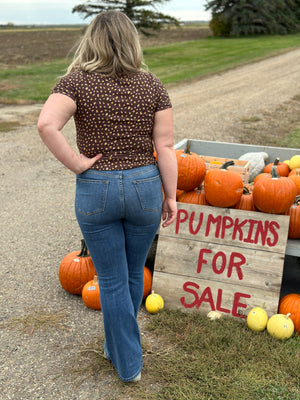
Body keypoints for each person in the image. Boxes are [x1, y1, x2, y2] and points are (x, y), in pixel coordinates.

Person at [37, 10, 177, 383]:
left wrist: (76, 163)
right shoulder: (152, 85)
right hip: (145, 187)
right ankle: (121, 348)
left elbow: (46, 124)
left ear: (92, 40)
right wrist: (172, 196)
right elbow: (165, 146)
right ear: (132, 41)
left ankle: (127, 361)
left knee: (112, 279)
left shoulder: (75, 83)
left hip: (96, 188)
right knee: (132, 274)